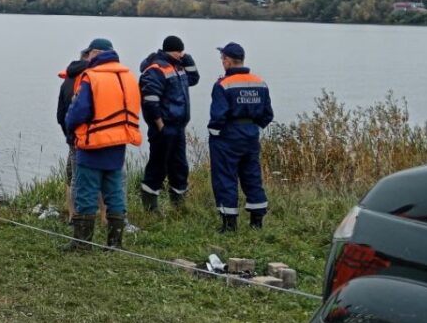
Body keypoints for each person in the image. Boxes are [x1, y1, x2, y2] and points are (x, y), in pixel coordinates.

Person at [63, 38, 142, 250]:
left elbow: (78, 112)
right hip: (118, 144)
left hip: (92, 144)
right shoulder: (128, 76)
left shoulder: (92, 77)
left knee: (86, 192)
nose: (87, 57)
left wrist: (70, 123)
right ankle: (115, 243)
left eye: (89, 53)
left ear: (95, 54)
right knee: (114, 192)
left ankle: (82, 243)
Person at [208, 42, 274, 232]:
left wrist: (215, 133)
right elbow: (267, 114)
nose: (222, 62)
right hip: (251, 135)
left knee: (225, 178)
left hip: (228, 136)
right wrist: (253, 126)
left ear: (228, 61)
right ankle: (256, 222)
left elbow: (218, 116)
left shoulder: (223, 84)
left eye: (222, 59)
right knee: (252, 176)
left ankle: (229, 225)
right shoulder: (260, 82)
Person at [138, 35, 200, 211]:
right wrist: (160, 125)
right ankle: (150, 208)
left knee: (179, 166)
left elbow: (194, 79)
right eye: (181, 51)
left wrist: (188, 60)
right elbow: (150, 100)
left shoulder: (177, 66)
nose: (183, 54)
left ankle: (179, 206)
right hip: (164, 128)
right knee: (158, 166)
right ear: (174, 51)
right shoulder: (156, 69)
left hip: (178, 127)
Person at [55, 49, 90, 219]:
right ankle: (104, 216)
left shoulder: (67, 81)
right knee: (101, 176)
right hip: (93, 138)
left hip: (73, 138)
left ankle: (73, 216)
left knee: (72, 177)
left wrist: (69, 135)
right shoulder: (92, 79)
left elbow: (61, 115)